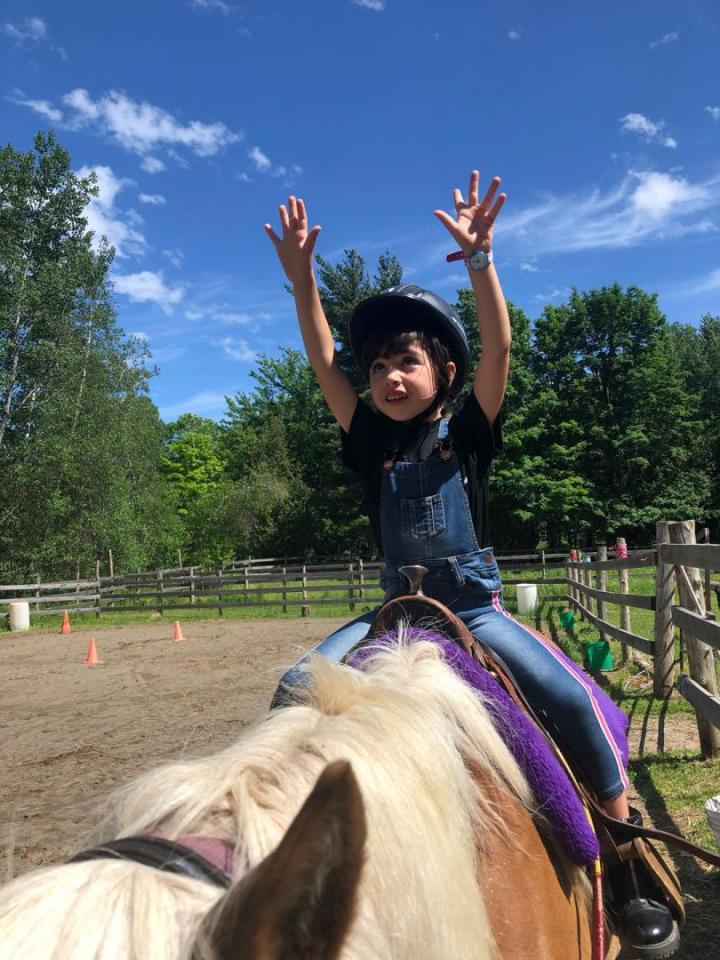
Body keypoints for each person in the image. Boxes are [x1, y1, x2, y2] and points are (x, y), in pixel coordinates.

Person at [264, 171, 678, 958]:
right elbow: (324, 361)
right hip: (392, 611)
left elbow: (502, 348)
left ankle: (625, 855)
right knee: (291, 689)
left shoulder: (468, 431)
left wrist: (483, 261)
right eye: (380, 365)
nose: (389, 376)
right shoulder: (370, 441)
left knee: (568, 695)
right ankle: (281, 844)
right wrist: (302, 282)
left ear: (443, 374)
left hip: (472, 607)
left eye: (407, 362)